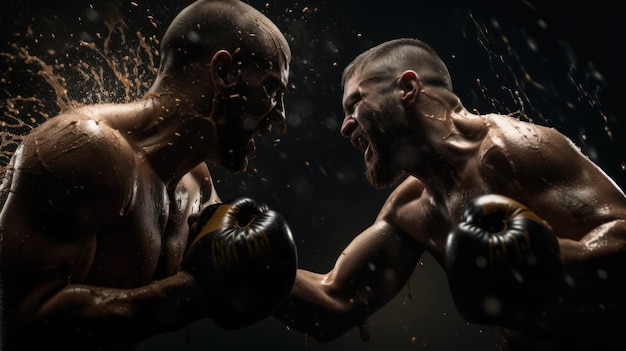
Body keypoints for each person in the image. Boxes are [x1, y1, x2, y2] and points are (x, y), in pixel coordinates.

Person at [274, 38, 626, 350]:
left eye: (355, 104)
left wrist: (546, 259)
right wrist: (236, 257)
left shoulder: (511, 150)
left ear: (407, 88)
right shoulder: (412, 207)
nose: (345, 125)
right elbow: (336, 303)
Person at [0, 0, 298, 350]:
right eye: (271, 90)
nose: (279, 116)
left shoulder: (196, 185)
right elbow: (21, 322)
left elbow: (248, 275)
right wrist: (191, 295)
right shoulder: (85, 148)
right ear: (224, 72)